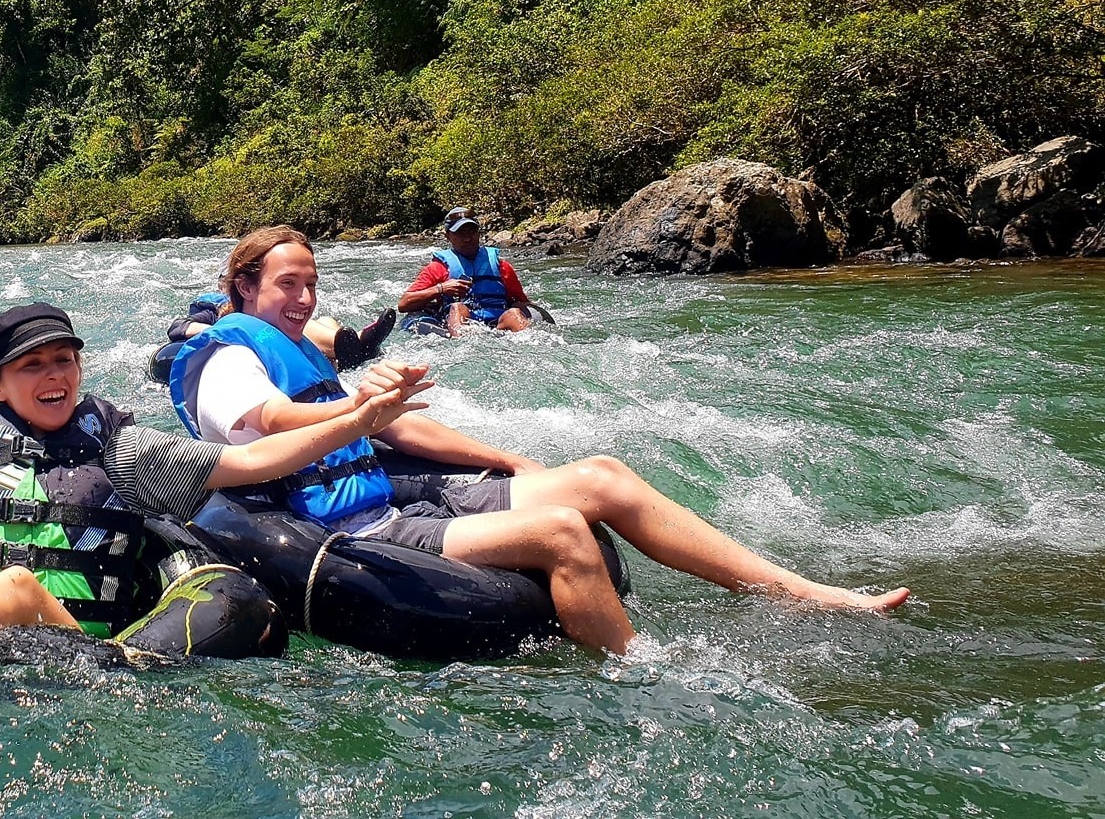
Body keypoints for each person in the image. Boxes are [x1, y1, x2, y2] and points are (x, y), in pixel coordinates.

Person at [168, 226, 910, 655]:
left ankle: (799, 592)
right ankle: (643, 676)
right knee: (562, 532)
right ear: (242, 288)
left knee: (602, 477)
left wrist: (499, 454)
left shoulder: (308, 352)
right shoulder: (228, 356)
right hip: (343, 531)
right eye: (286, 285)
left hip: (388, 503)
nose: (304, 299)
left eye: (311, 284)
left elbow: (397, 427)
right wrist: (355, 415)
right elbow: (265, 423)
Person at [0, 303, 425, 666]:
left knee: (13, 589)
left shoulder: (123, 450)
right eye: (32, 365)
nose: (54, 376)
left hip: (67, 643)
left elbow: (254, 462)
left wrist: (357, 418)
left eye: (64, 360)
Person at [148, 289, 396, 383]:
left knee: (326, 321)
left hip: (289, 350)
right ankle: (352, 349)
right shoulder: (212, 311)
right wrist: (239, 329)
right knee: (283, 326)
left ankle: (352, 346)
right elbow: (178, 329)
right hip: (254, 344)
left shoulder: (269, 307)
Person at [397, 208, 534, 335]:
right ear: (448, 236)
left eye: (472, 231)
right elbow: (404, 304)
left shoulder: (501, 266)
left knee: (515, 313)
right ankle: (463, 346)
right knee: (457, 308)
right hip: (463, 322)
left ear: (479, 233)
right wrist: (441, 289)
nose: (467, 238)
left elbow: (521, 301)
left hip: (499, 322)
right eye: (460, 233)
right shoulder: (438, 268)